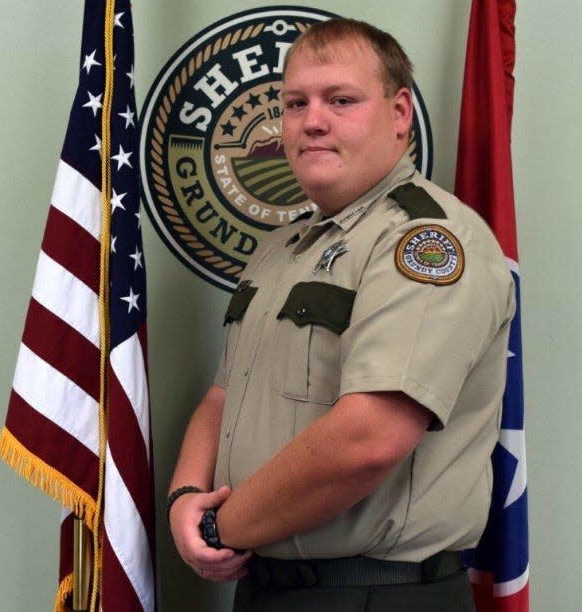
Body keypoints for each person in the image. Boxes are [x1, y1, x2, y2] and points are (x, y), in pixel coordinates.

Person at [166, 18, 515, 611]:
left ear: (401, 113)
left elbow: (369, 438)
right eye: (295, 103)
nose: (312, 121)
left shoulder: (426, 242)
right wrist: (186, 497)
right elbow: (224, 397)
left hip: (375, 596)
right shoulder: (281, 250)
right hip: (268, 588)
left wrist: (221, 531)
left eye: (341, 100)